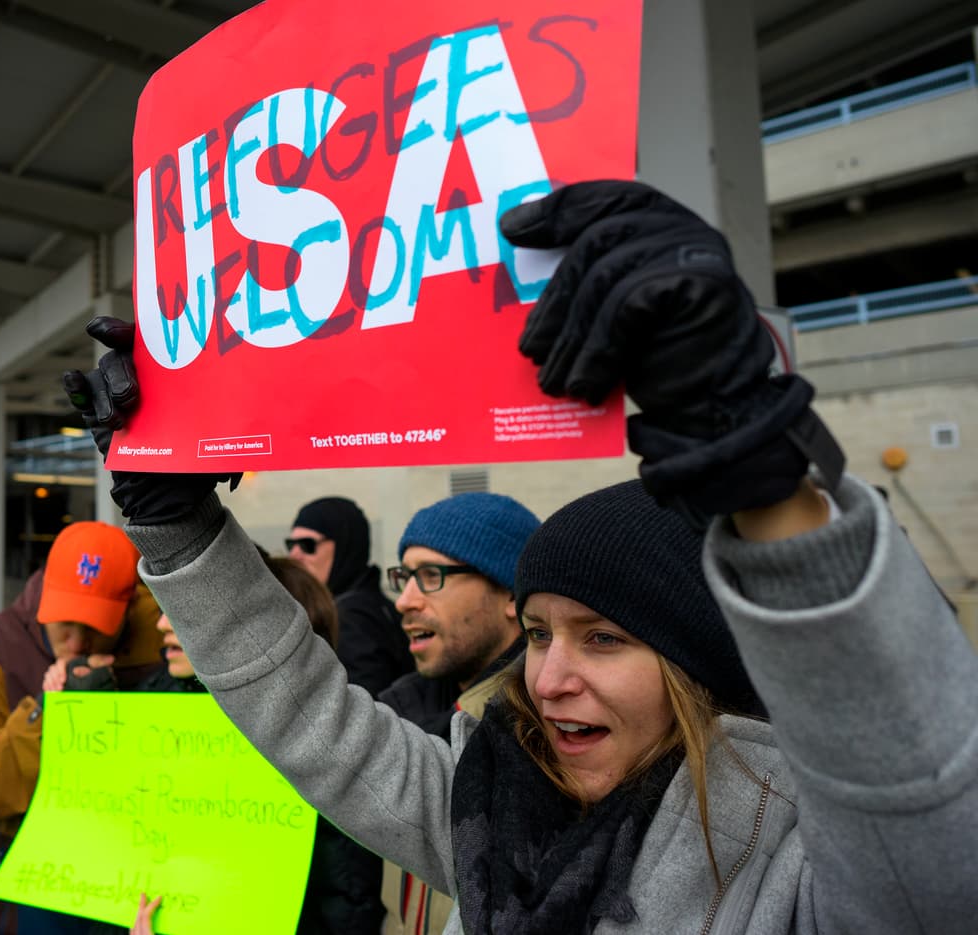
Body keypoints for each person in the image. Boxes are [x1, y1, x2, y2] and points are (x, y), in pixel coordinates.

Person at [65, 180, 978, 933]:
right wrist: (173, 522)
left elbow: (908, 790)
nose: (547, 678)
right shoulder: (487, 805)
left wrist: (764, 474)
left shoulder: (798, 874)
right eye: (540, 634)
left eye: (604, 638)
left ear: (698, 666)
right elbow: (300, 712)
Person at [141, 555, 385, 935]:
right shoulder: (158, 706)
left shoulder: (329, 740)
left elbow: (347, 893)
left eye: (186, 610)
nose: (162, 624)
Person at [0, 521, 161, 935]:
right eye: (65, 622)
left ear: (129, 608)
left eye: (97, 625)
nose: (77, 643)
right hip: (38, 877)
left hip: (138, 870)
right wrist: (47, 718)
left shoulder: (165, 638)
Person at [375, 491, 539, 933]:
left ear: (511, 594)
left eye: (431, 575)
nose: (404, 601)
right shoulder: (399, 714)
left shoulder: (548, 741)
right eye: (404, 577)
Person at [287, 496, 413, 695]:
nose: (295, 555)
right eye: (290, 545)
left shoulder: (350, 617)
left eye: (306, 544)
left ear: (344, 546)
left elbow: (366, 705)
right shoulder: (371, 603)